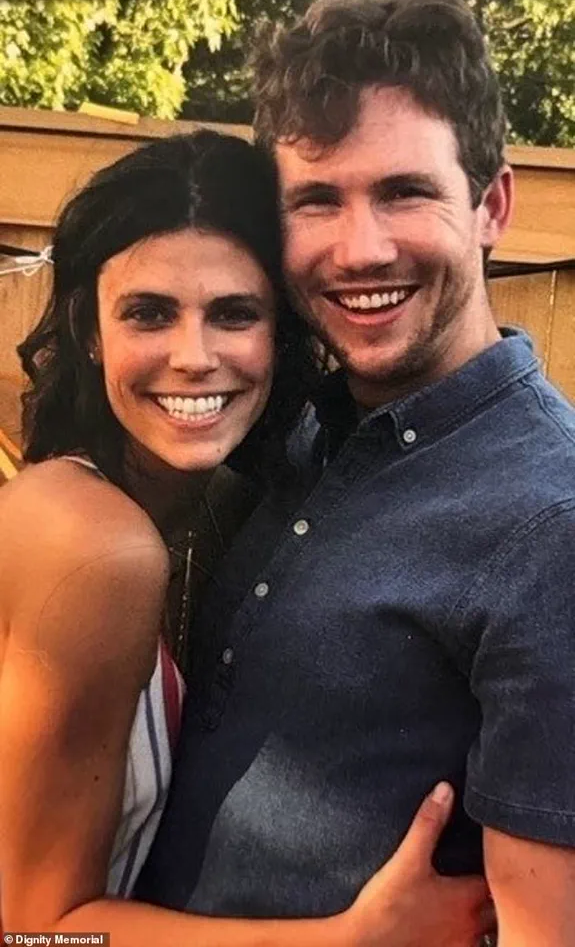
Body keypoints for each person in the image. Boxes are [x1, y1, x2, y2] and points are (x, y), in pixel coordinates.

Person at [135, 0, 575, 943]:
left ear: (491, 205)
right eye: (317, 201)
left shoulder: (552, 522)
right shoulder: (294, 434)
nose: (360, 249)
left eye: (404, 192)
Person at [0, 129, 491, 946]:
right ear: (90, 330)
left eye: (234, 314)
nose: (194, 357)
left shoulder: (211, 512)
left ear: (282, 334)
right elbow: (36, 932)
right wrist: (351, 940)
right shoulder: (97, 545)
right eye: (149, 313)